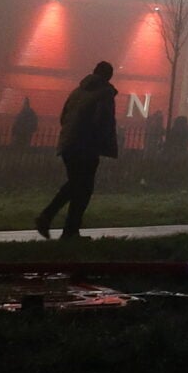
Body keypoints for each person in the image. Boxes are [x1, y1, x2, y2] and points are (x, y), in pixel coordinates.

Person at [36, 61, 118, 242]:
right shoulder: (104, 94)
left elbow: (64, 116)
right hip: (87, 146)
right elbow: (102, 121)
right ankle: (62, 225)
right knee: (83, 188)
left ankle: (61, 225)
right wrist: (103, 143)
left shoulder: (77, 92)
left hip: (69, 143)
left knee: (76, 184)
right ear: (108, 76)